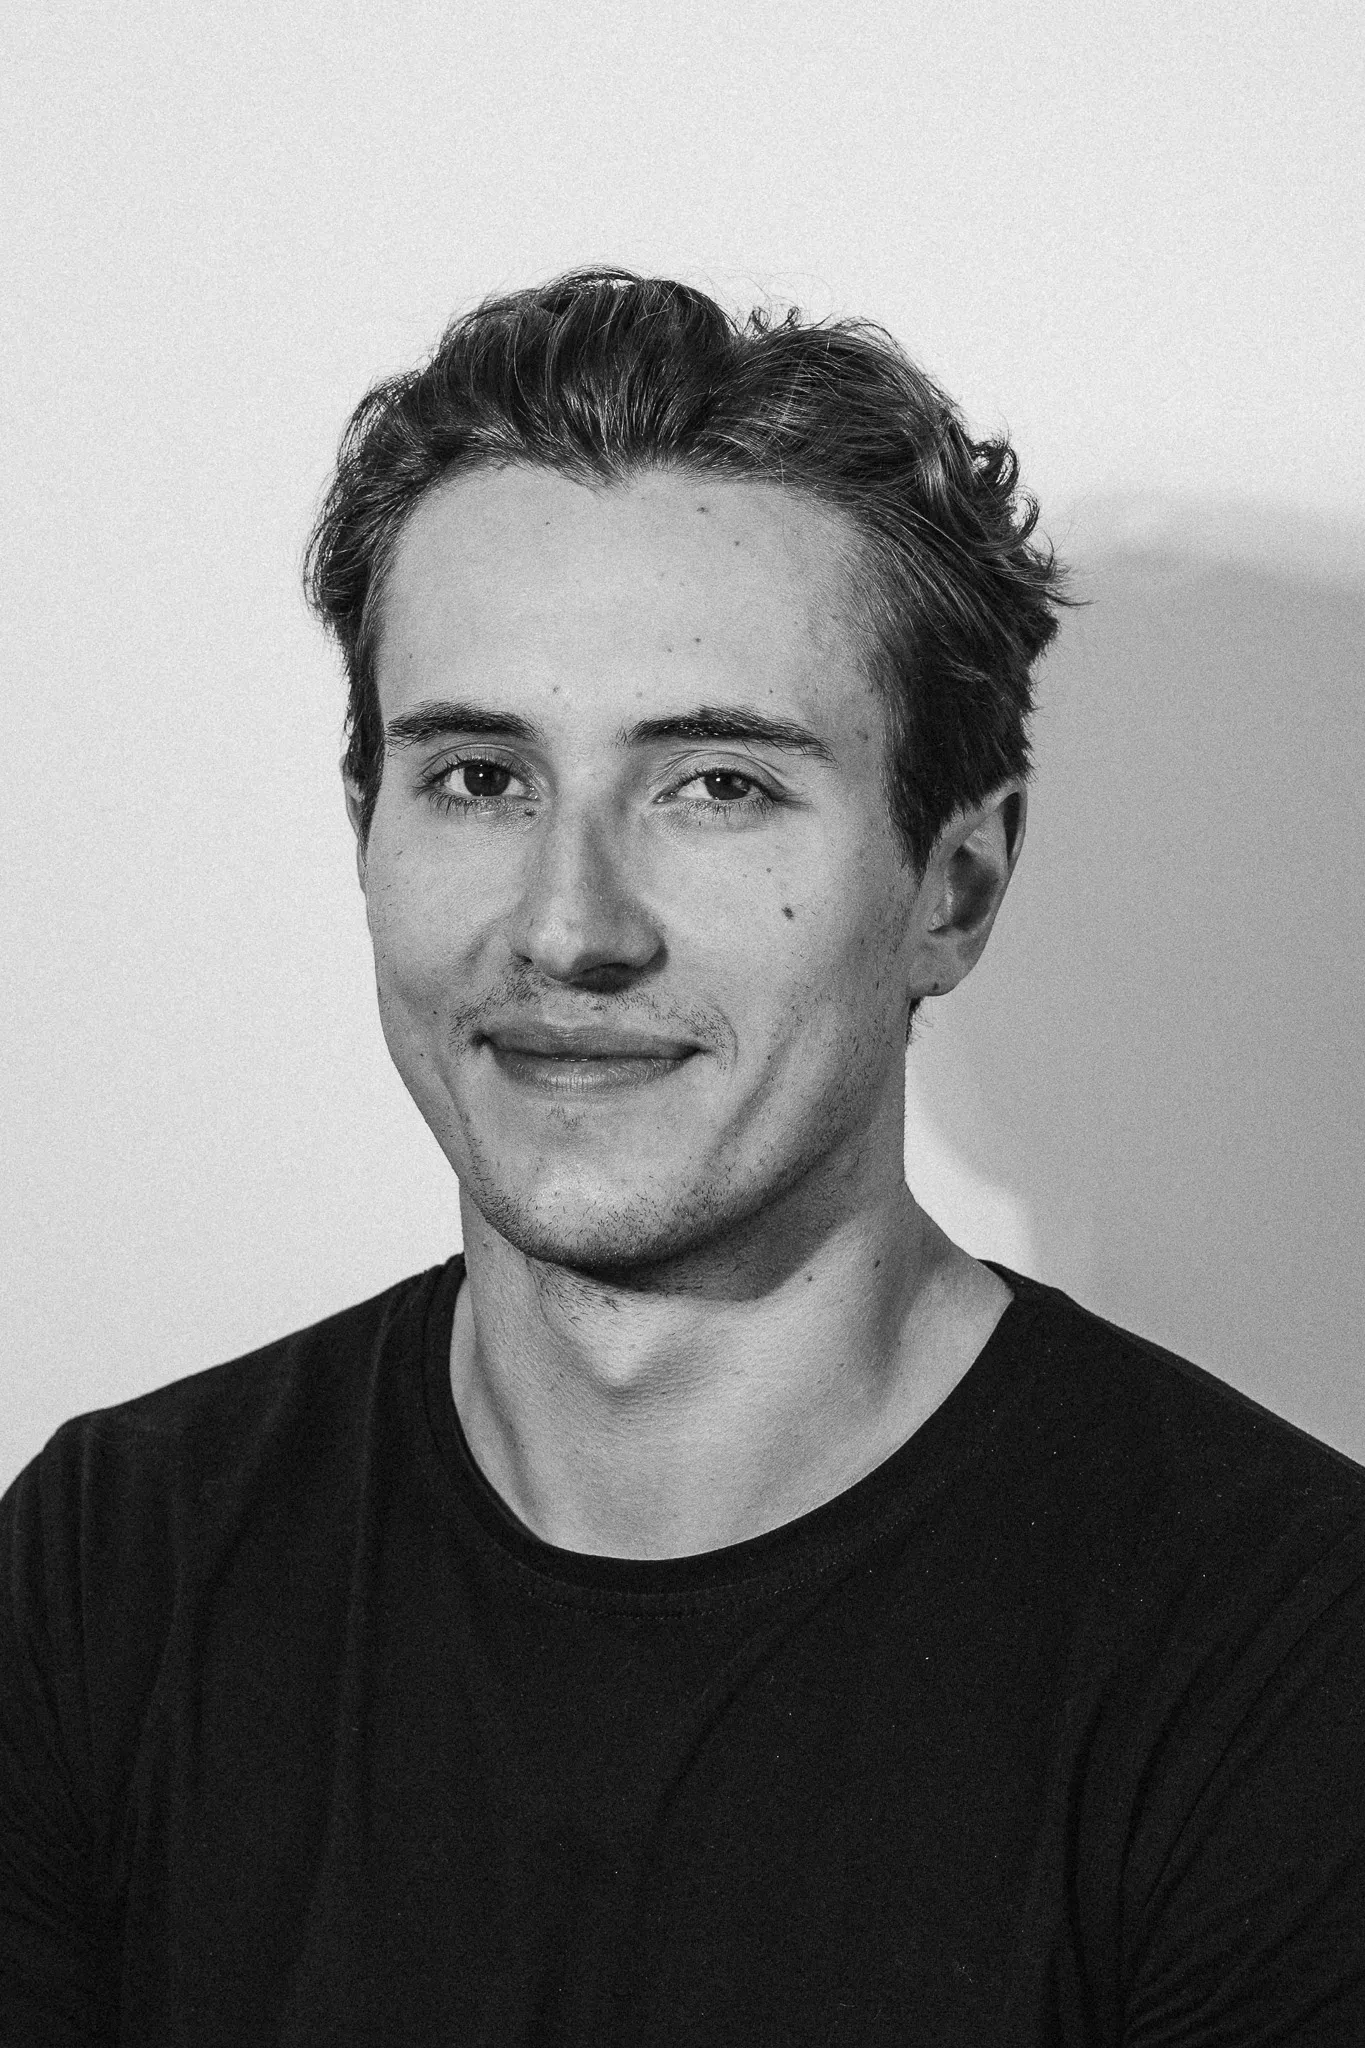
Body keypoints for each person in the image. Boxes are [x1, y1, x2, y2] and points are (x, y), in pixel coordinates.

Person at [3, 269, 1362, 2046]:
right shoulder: (113, 1569)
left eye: (715, 783)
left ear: (953, 885)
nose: (569, 930)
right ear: (367, 835)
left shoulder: (1283, 1661)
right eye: (480, 777)